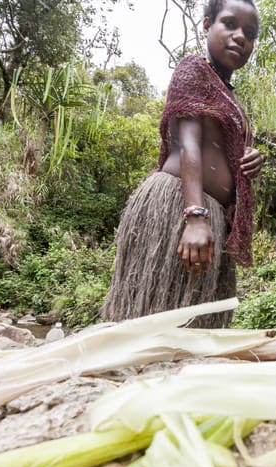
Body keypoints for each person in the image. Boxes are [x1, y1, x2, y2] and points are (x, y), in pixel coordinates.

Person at [102, 0, 262, 328]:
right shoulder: (193, 69)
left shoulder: (229, 97)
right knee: (156, 323)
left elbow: (220, 150)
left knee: (195, 329)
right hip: (179, 206)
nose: (240, 37)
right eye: (229, 24)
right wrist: (195, 216)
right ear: (206, 25)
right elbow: (189, 144)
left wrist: (249, 162)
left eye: (249, 32)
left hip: (210, 214)